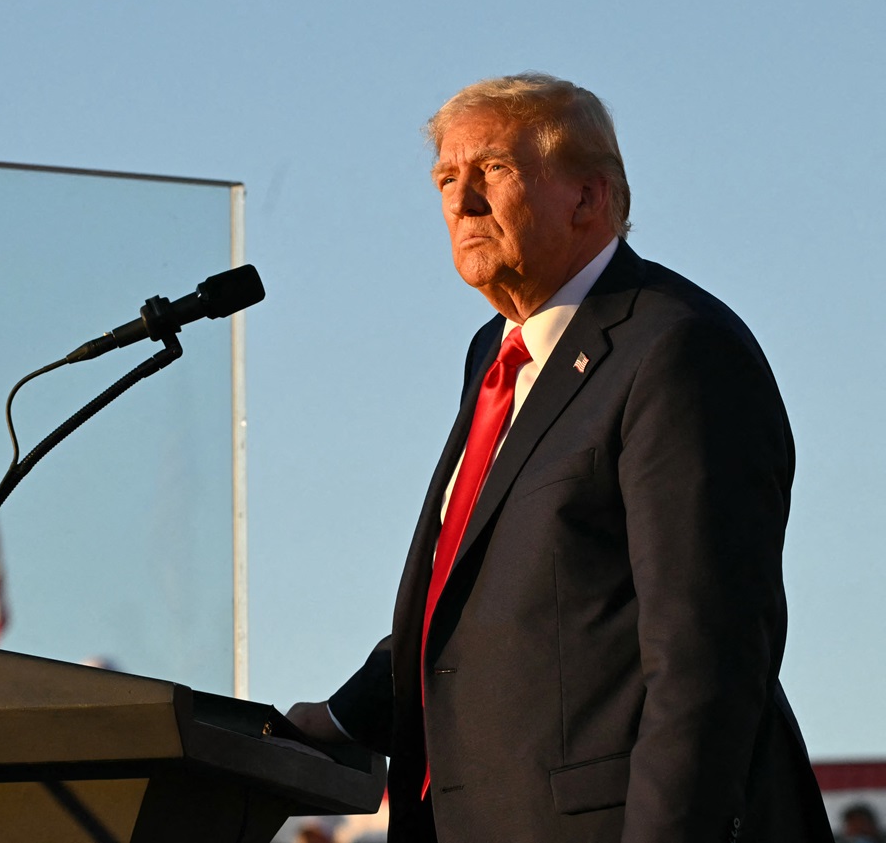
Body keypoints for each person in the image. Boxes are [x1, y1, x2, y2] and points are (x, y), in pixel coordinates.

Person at [286, 73, 833, 843]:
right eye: (447, 177)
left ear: (588, 197)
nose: (461, 202)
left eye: (494, 171)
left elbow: (705, 652)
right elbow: (497, 604)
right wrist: (342, 716)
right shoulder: (494, 355)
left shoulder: (678, 349)